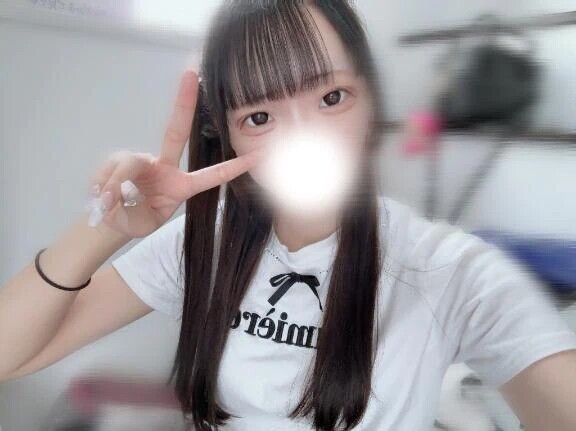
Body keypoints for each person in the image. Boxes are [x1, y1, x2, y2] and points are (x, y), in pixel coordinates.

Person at [1, 1, 575, 430]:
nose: (306, 140)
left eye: (331, 98)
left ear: (371, 99)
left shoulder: (449, 270)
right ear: (225, 134)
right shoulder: (206, 241)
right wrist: (105, 226)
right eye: (259, 117)